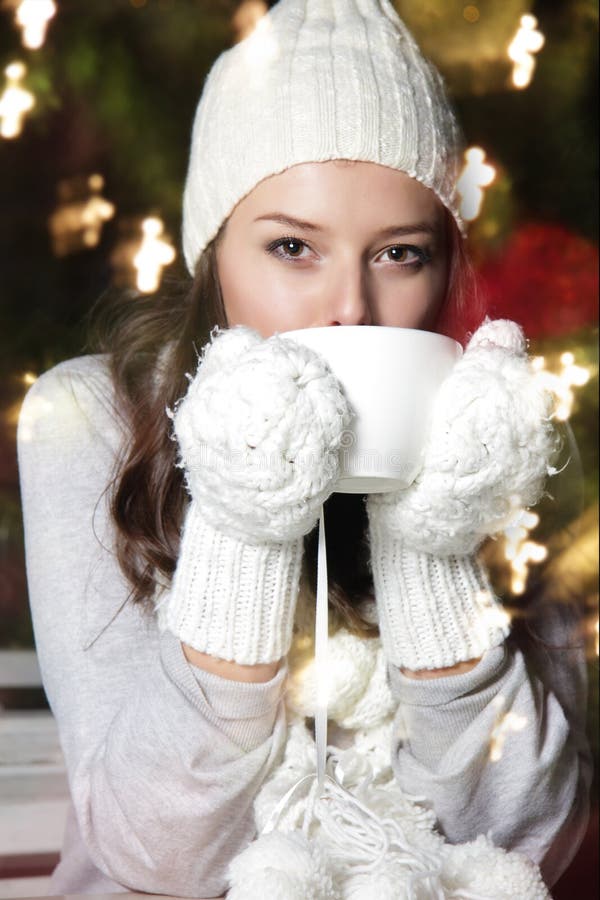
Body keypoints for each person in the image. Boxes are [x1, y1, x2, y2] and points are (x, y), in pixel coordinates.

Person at [17, 1, 591, 897]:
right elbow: (155, 852)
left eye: (400, 253)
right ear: (214, 254)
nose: (350, 308)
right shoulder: (90, 417)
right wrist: (246, 521)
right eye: (293, 247)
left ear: (446, 264)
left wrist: (429, 542)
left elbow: (520, 848)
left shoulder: (497, 429)